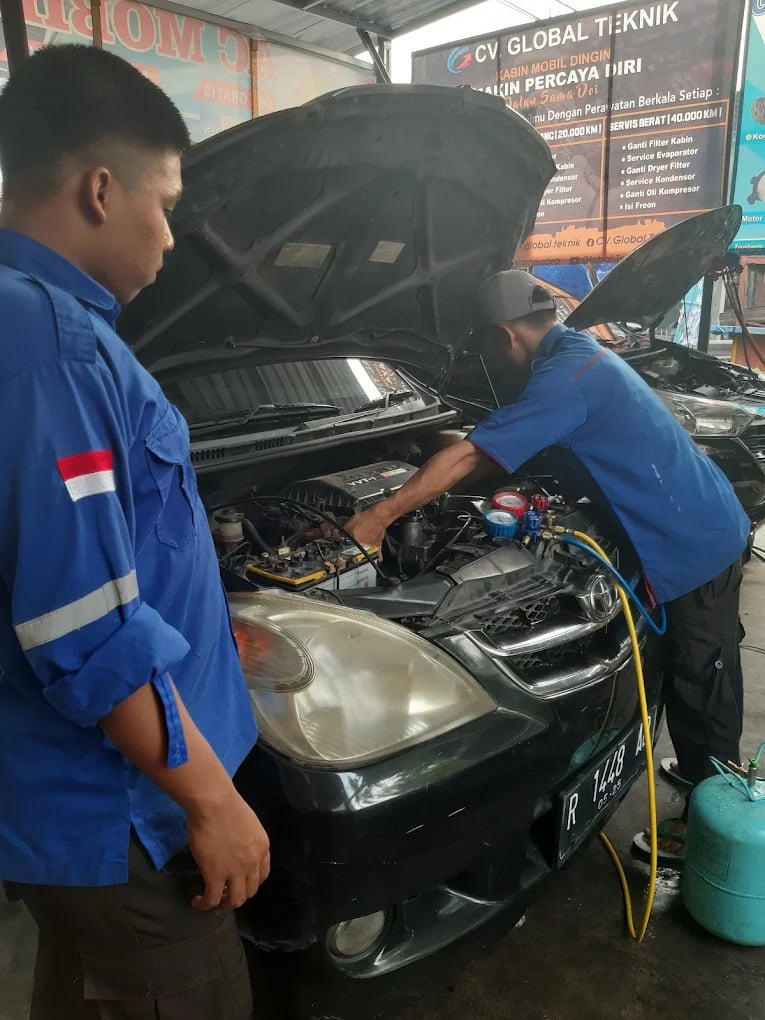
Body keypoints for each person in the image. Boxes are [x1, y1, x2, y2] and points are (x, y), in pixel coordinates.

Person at [0, 46, 268, 1019]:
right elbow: (85, 631)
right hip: (124, 811)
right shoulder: (54, 350)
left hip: (75, 799)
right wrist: (213, 801)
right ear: (100, 190)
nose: (171, 235)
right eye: (166, 203)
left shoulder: (30, 326)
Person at [346, 269, 749, 865]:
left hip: (695, 545)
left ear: (505, 336)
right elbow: (493, 453)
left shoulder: (564, 379)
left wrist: (381, 514)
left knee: (702, 683)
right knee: (699, 671)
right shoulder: (578, 353)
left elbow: (471, 457)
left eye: (486, 346)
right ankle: (703, 773)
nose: (488, 360)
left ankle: (713, 825)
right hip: (692, 525)